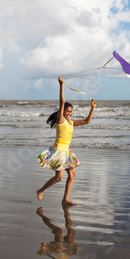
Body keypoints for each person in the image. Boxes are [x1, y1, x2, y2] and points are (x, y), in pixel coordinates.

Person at [37, 76, 96, 206]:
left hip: (66, 152)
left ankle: (65, 199)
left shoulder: (71, 122)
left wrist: (92, 107)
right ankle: (40, 191)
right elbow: (62, 101)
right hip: (59, 151)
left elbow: (87, 121)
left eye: (70, 111)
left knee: (72, 174)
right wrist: (61, 85)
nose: (69, 113)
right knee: (59, 177)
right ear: (62, 111)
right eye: (67, 111)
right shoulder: (61, 120)